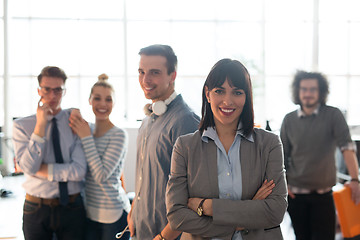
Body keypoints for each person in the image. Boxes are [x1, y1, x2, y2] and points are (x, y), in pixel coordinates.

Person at [166, 59, 288, 240]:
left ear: (246, 97)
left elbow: (275, 211)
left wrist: (207, 207)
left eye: (237, 92)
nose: (227, 101)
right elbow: (177, 217)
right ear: (208, 94)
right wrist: (244, 216)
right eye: (219, 91)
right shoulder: (185, 147)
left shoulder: (269, 143)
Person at [127, 44, 200, 240]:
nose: (145, 80)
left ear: (172, 75)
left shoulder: (186, 121)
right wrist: (134, 212)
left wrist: (163, 237)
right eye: (141, 72)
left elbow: (194, 194)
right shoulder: (147, 119)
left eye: (154, 73)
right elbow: (144, 176)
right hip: (142, 230)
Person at [280, 70, 360, 240]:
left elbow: (347, 147)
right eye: (304, 89)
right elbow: (281, 157)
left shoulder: (333, 115)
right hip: (296, 195)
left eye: (312, 89)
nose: (308, 93)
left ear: (321, 91)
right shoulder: (288, 120)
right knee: (301, 237)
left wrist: (354, 179)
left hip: (324, 195)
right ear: (298, 91)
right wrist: (283, 185)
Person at [12, 66, 87, 239]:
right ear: (39, 90)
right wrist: (40, 127)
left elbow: (79, 171)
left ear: (64, 91)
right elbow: (29, 167)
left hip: (72, 205)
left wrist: (42, 171)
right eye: (47, 89)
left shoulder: (75, 122)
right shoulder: (22, 126)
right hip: (36, 207)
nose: (53, 95)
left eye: (58, 90)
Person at [69, 74, 131, 240]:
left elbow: (101, 176)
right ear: (89, 100)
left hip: (113, 214)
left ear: (114, 103)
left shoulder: (119, 135)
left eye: (108, 99)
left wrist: (86, 138)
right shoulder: (86, 129)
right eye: (97, 98)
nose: (103, 104)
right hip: (89, 212)